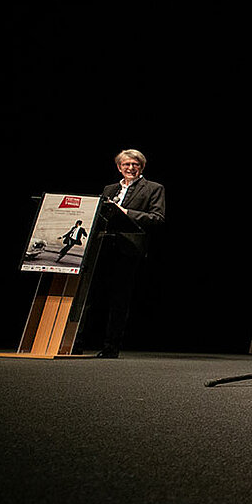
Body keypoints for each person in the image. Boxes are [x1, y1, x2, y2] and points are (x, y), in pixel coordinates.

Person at [78, 149, 166, 358]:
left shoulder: (154, 188)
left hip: (128, 248)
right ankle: (77, 342)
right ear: (119, 167)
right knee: (90, 296)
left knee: (119, 299)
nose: (130, 168)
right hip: (102, 247)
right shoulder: (109, 189)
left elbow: (157, 218)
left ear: (141, 167)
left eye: (135, 164)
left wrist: (126, 213)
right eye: (126, 164)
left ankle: (111, 346)